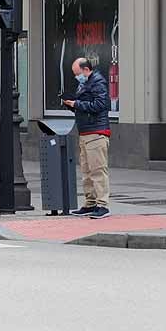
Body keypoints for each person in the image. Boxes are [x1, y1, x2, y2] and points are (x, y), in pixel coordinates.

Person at [63, 57, 111, 219]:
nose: (76, 77)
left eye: (77, 73)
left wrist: (76, 104)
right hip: (85, 131)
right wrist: (72, 105)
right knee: (87, 171)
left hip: (96, 132)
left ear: (86, 69)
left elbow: (100, 105)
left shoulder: (98, 82)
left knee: (97, 170)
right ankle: (90, 203)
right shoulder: (85, 84)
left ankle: (102, 205)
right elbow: (86, 106)